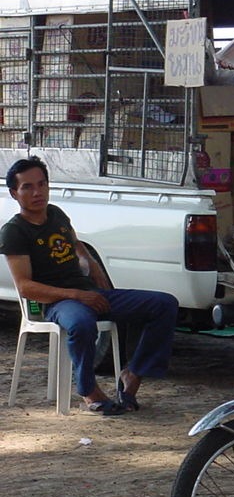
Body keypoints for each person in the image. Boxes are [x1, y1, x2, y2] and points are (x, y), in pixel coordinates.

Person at [0, 156, 179, 416]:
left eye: (42, 184)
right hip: (56, 302)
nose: (37, 192)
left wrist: (92, 265)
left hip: (87, 292)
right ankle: (88, 390)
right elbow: (26, 287)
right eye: (27, 187)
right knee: (82, 323)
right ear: (14, 193)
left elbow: (75, 243)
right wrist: (76, 295)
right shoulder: (14, 231)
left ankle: (133, 375)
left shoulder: (56, 214)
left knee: (164, 304)